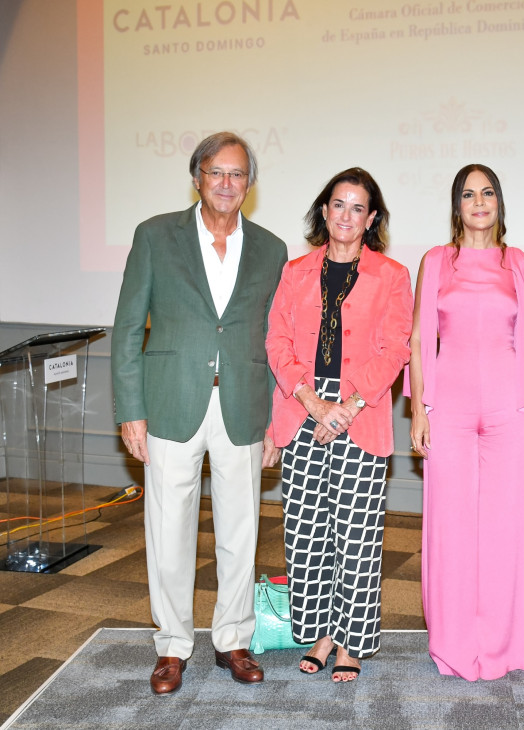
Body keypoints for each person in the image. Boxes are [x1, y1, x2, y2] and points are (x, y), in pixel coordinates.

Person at [111, 131, 288, 695]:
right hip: (169, 402)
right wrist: (130, 409)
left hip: (242, 406)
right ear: (197, 177)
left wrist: (276, 422)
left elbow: (275, 339)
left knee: (241, 526)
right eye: (217, 172)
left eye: (238, 174)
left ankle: (232, 637)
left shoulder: (271, 248)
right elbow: (126, 327)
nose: (227, 184)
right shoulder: (155, 235)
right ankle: (172, 645)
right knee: (168, 529)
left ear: (249, 184)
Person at [266, 168, 413, 683]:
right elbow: (277, 343)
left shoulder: (393, 275)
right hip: (302, 414)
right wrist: (311, 402)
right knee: (308, 532)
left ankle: (351, 641)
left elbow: (396, 349)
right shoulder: (295, 271)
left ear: (371, 218)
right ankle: (323, 633)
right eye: (337, 205)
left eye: (357, 208)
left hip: (361, 417)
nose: (346, 216)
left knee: (356, 534)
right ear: (323, 211)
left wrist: (345, 408)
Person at [406, 164, 524, 681]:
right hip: (451, 412)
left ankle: (507, 644)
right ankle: (455, 643)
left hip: (511, 411)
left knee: (506, 530)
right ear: (457, 206)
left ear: (499, 203)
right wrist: (420, 409)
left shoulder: (518, 263)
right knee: (451, 529)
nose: (479, 201)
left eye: (487, 192)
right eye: (469, 194)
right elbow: (421, 341)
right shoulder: (437, 261)